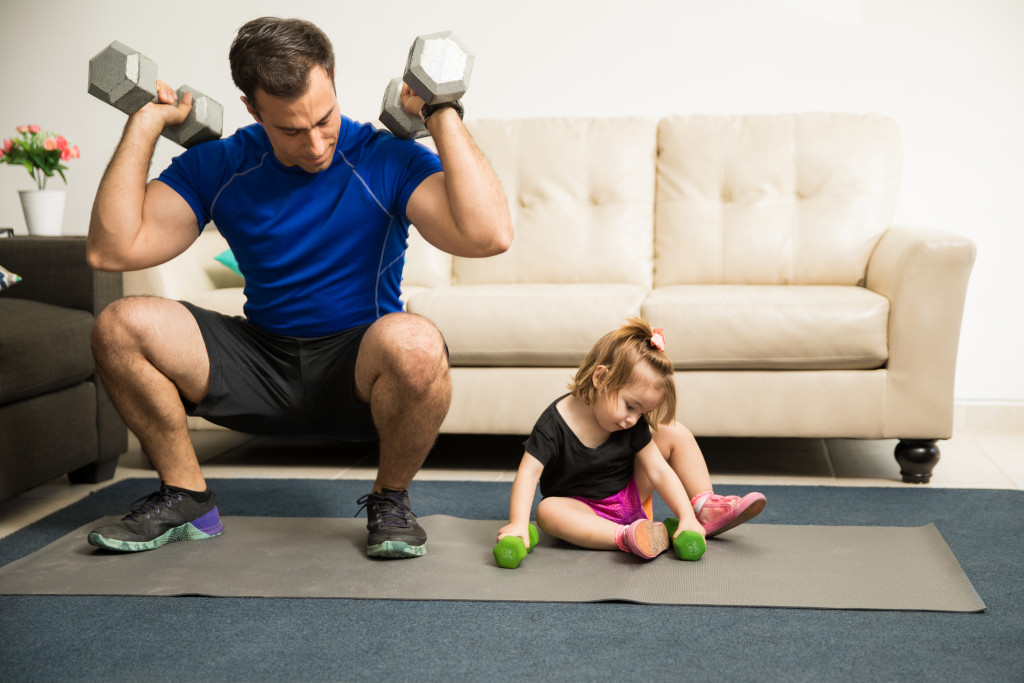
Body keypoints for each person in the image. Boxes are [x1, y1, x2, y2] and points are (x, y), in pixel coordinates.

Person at [85, 17, 513, 559]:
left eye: (324, 119)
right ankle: (187, 495)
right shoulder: (222, 165)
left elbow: (489, 235)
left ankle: (391, 499)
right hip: (259, 360)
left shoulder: (386, 157)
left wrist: (440, 111)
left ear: (334, 82)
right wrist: (145, 124)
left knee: (418, 343)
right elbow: (112, 250)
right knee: (120, 325)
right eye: (290, 130)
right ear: (252, 109)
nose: (314, 145)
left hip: (355, 366)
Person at [498, 318, 766, 559]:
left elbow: (659, 470)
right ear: (600, 377)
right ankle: (628, 536)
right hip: (585, 511)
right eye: (630, 406)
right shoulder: (552, 425)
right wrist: (518, 523)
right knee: (547, 512)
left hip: (630, 496)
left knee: (673, 432)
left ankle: (702, 508)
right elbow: (529, 474)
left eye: (643, 412)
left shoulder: (629, 422)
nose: (633, 420)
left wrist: (685, 516)